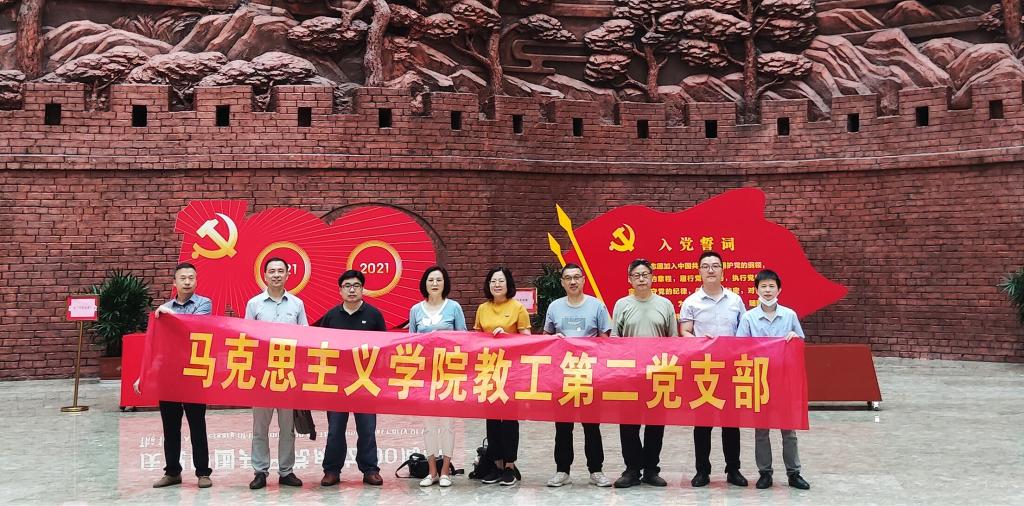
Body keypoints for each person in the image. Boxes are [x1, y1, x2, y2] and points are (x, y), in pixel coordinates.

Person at [736, 269, 811, 490]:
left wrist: (795, 338)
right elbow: (740, 347)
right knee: (761, 430)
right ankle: (765, 473)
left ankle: (794, 473)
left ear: (779, 289)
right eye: (763, 286)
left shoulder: (789, 315)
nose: (767, 291)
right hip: (759, 380)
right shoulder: (748, 317)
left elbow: (801, 343)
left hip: (785, 380)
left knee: (789, 430)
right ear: (756, 290)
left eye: (771, 286)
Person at [679, 251, 748, 488]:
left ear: (722, 270)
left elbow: (744, 332)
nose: (710, 270)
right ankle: (702, 471)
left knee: (731, 422)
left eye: (715, 266)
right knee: (703, 422)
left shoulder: (735, 300)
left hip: (730, 368)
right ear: (699, 271)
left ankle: (733, 470)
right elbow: (684, 332)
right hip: (703, 369)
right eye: (706, 266)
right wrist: (699, 342)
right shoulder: (691, 302)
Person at [142, 262, 213, 489]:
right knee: (170, 426)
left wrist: (169, 315)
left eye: (191, 277)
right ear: (174, 282)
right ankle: (172, 472)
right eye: (183, 278)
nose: (187, 281)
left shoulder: (204, 304)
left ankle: (203, 472)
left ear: (196, 281)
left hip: (193, 373)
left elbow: (194, 328)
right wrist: (144, 374)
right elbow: (156, 344)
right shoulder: (164, 308)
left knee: (197, 424)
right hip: (169, 375)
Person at [610, 259, 678, 488]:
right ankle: (631, 470)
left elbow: (673, 340)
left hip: (658, 374)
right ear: (629, 279)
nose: (641, 279)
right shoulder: (622, 304)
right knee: (628, 424)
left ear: (652, 277)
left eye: (645, 274)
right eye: (636, 275)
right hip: (629, 375)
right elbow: (615, 339)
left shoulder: (665, 304)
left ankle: (650, 470)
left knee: (655, 424)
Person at [543, 263, 612, 488]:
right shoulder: (554, 307)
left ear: (583, 280)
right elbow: (546, 339)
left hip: (589, 375)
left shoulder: (597, 306)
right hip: (562, 376)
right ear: (562, 282)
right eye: (568, 278)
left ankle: (596, 470)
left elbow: (605, 341)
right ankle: (562, 471)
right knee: (563, 426)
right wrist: (554, 340)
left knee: (592, 425)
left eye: (576, 277)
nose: (573, 281)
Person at [318, 269, 388, 487]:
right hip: (337, 382)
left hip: (365, 382)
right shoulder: (331, 316)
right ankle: (331, 470)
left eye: (356, 285)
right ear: (340, 290)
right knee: (335, 429)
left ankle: (370, 469)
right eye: (347, 286)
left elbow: (384, 349)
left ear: (362, 289)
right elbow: (320, 348)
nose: (351, 290)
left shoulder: (374, 315)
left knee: (367, 428)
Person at [245, 257, 308, 490]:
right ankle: (260, 471)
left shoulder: (297, 304)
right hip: (262, 375)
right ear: (264, 275)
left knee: (287, 428)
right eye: (272, 271)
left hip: (288, 374)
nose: (276, 275)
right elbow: (246, 337)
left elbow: (306, 337)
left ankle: (286, 471)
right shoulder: (254, 304)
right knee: (260, 428)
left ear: (288, 274)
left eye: (281, 271)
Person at [409, 266, 468, 488]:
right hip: (425, 375)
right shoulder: (416, 310)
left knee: (447, 424)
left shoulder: (454, 307)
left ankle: (445, 471)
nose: (434, 284)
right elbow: (410, 342)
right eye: (431, 280)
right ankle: (432, 470)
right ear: (424, 283)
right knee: (429, 424)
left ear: (445, 284)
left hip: (448, 373)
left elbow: (464, 339)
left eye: (439, 280)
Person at [473, 266, 532, 486]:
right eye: (493, 281)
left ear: (508, 284)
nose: (497, 285)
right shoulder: (482, 309)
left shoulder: (517, 308)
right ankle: (496, 464)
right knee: (491, 420)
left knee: (508, 420)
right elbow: (476, 338)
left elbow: (528, 339)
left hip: (511, 371)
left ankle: (509, 465)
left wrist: (507, 337)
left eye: (501, 281)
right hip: (488, 370)